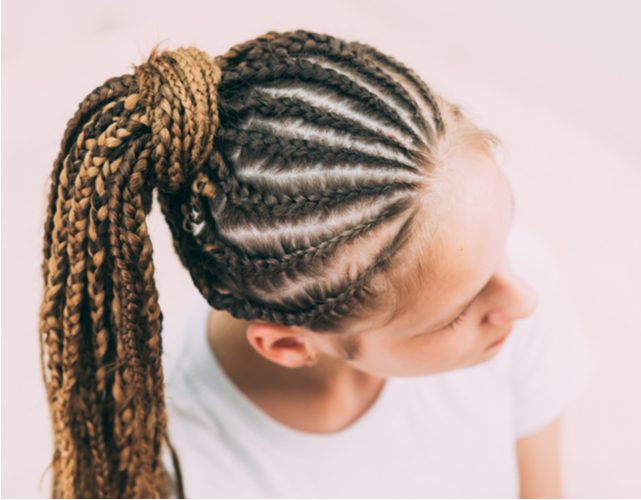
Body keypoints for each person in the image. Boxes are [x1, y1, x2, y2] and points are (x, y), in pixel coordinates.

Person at [37, 28, 596, 499]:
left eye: (500, 245)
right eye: (452, 316)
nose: (523, 299)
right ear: (289, 345)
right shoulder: (184, 465)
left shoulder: (514, 296)